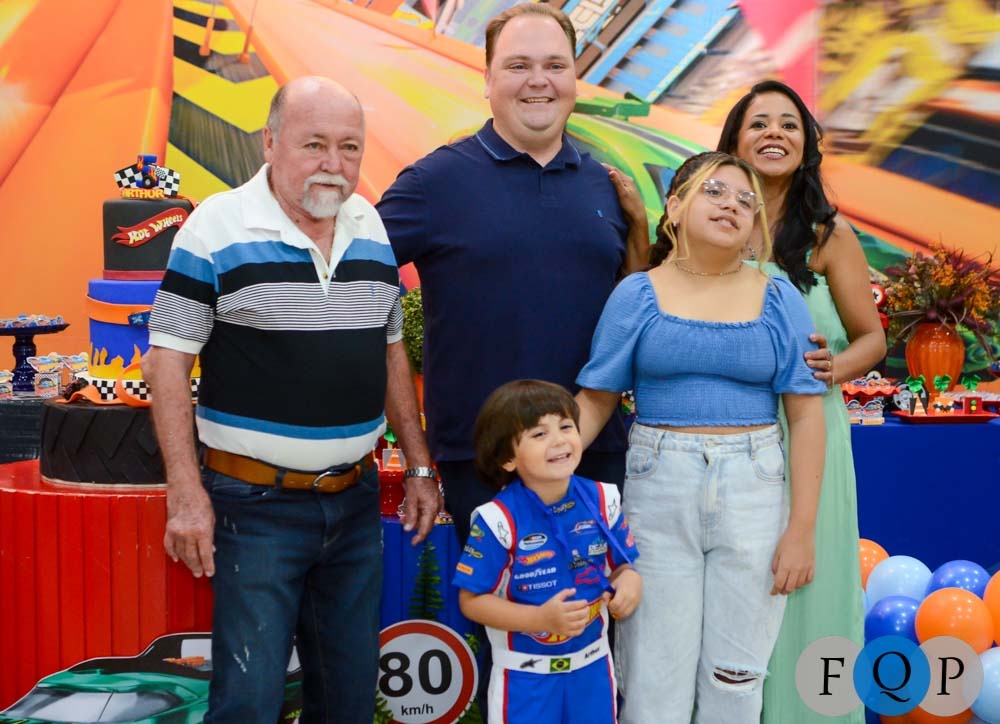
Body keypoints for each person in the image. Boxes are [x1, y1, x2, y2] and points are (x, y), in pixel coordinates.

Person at [142, 76, 441, 723]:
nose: (334, 163)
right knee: (249, 704)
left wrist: (419, 466)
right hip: (254, 507)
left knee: (348, 699)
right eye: (314, 144)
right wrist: (185, 494)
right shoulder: (215, 226)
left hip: (355, 503)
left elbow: (390, 349)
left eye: (350, 147)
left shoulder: (369, 225)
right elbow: (167, 361)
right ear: (270, 142)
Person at [377, 2, 649, 546]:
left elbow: (637, 309)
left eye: (555, 65)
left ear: (574, 78)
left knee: (600, 603)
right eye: (519, 65)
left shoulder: (607, 186)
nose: (538, 81)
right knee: (500, 603)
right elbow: (355, 294)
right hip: (483, 461)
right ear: (487, 80)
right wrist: (417, 458)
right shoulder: (434, 182)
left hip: (594, 454)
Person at [575, 151, 827, 724]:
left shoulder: (781, 298)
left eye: (746, 200)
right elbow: (596, 399)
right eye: (714, 192)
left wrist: (802, 530)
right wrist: (544, 461)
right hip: (658, 488)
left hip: (755, 490)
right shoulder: (635, 295)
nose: (731, 205)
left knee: (736, 682)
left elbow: (807, 417)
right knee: (652, 683)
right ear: (674, 207)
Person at [717, 79, 885, 724]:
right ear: (734, 142)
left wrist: (831, 370)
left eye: (788, 124)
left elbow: (872, 338)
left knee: (808, 587)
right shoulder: (710, 228)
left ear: (808, 145)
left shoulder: (828, 236)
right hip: (724, 436)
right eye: (759, 123)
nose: (774, 134)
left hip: (811, 436)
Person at [454, 379, 642, 724]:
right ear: (507, 458)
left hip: (593, 671)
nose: (558, 440)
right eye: (539, 434)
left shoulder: (604, 499)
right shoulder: (498, 520)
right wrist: (539, 620)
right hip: (526, 681)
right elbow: (472, 601)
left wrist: (630, 581)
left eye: (566, 426)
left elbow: (623, 566)